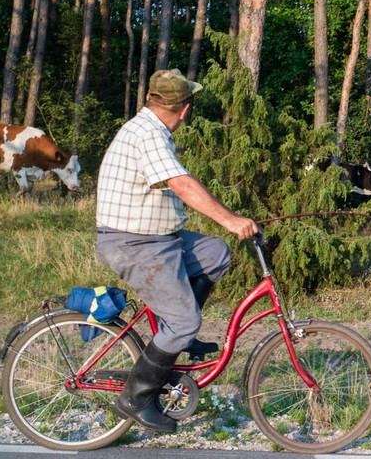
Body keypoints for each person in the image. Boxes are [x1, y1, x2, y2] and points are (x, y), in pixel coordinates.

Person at [95, 68, 259, 434]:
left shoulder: (151, 129)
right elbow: (182, 184)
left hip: (159, 238)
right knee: (186, 321)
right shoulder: (148, 135)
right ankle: (135, 399)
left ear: (152, 98)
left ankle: (177, 333)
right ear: (185, 109)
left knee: (215, 253)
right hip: (133, 242)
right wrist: (230, 219)